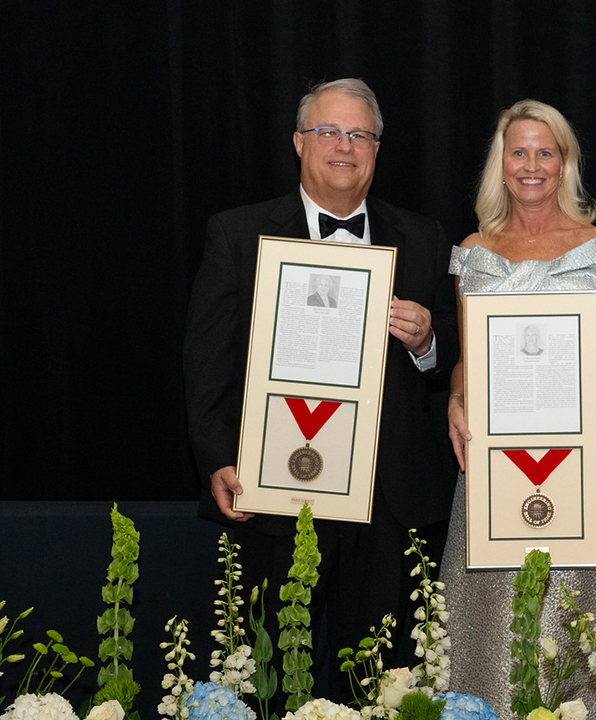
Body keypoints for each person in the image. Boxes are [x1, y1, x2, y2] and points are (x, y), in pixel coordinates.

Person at [183, 79, 458, 700]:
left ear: (377, 149)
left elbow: (452, 360)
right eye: (329, 132)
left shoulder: (424, 237)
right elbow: (207, 367)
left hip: (389, 502)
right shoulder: (238, 233)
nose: (344, 146)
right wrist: (219, 460)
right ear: (299, 144)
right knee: (271, 679)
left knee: (383, 689)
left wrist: (426, 342)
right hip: (276, 494)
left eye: (359, 134)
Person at [441, 99, 596, 716]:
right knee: (486, 618)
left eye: (546, 152)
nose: (532, 164)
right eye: (519, 151)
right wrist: (455, 396)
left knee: (584, 617)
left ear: (565, 164)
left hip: (580, 458)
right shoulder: (473, 250)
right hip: (492, 459)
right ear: (501, 166)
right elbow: (464, 359)